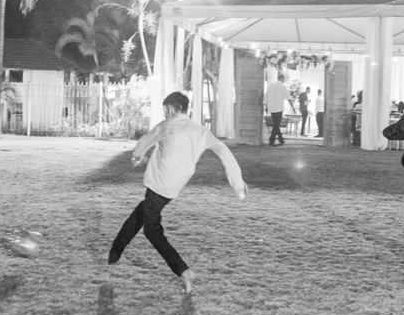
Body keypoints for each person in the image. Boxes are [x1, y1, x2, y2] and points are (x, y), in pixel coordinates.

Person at [108, 91, 247, 294]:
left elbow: (144, 142)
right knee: (140, 214)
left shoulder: (167, 125)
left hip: (160, 183)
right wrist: (238, 185)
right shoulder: (200, 130)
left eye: (165, 110)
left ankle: (183, 270)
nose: (165, 113)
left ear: (171, 109)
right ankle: (115, 252)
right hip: (174, 186)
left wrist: (137, 156)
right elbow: (223, 151)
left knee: (151, 230)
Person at [265, 73, 291, 146]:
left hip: (272, 108)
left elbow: (266, 96)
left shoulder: (271, 86)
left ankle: (281, 140)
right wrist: (293, 107)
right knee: (276, 124)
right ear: (282, 79)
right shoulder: (282, 87)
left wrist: (266, 107)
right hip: (279, 108)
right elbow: (288, 98)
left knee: (276, 124)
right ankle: (271, 140)